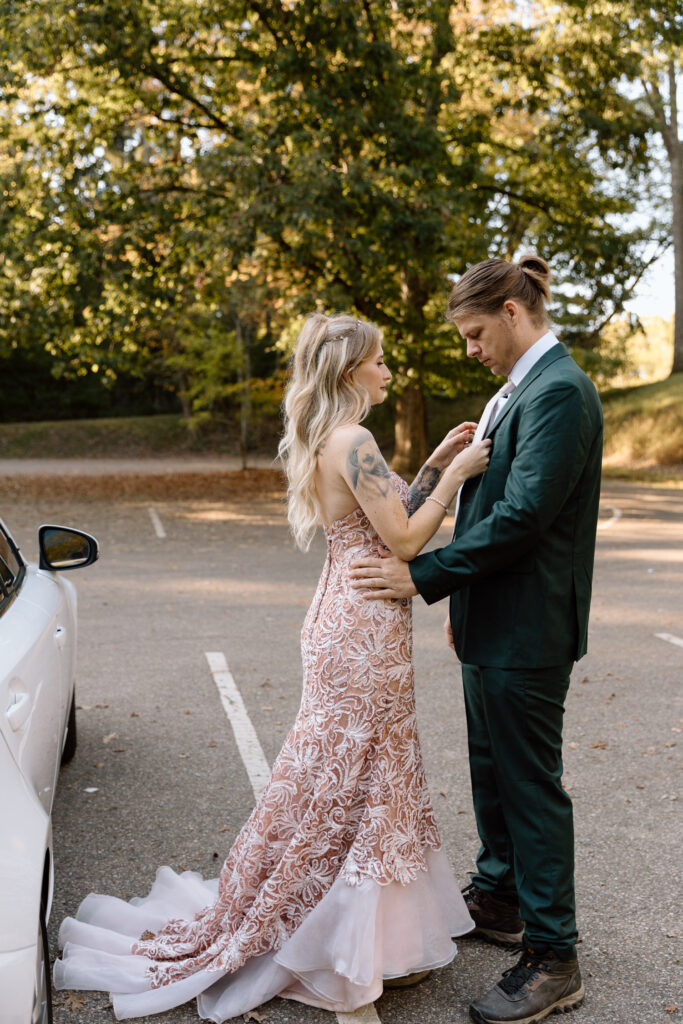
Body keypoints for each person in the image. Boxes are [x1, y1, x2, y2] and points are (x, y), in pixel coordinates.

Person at [54, 312, 491, 1021]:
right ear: (351, 370)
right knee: (356, 775)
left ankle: (362, 934)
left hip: (342, 612)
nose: (388, 373)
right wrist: (461, 475)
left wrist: (437, 460)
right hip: (361, 625)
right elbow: (408, 537)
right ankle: (336, 936)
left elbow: (387, 513)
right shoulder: (354, 438)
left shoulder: (332, 436)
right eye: (379, 362)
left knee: (344, 772)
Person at [349, 256, 603, 1024]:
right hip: (492, 618)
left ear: (512, 314)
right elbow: (486, 501)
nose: (468, 349)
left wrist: (424, 575)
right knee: (491, 772)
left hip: (529, 625)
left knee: (529, 786)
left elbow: (523, 516)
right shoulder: (517, 388)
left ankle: (553, 955)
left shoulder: (558, 391)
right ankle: (498, 898)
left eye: (473, 333)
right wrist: (462, 605)